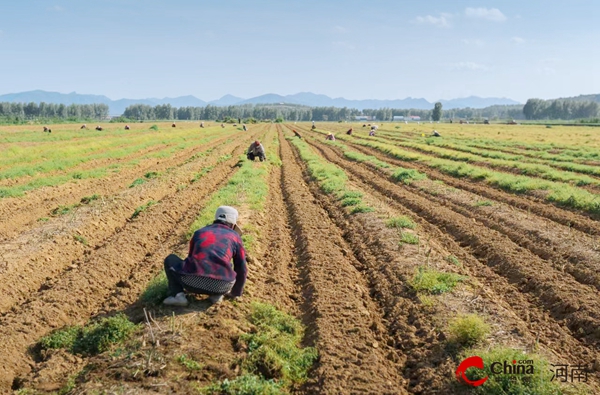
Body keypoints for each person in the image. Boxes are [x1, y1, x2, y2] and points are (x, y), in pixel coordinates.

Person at [162, 206, 247, 306]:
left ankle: (178, 296)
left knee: (170, 259)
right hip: (222, 285)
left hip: (191, 283)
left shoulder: (199, 232)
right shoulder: (235, 237)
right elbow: (241, 268)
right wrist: (236, 293)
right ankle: (217, 295)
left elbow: (190, 258)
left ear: (215, 219)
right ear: (233, 225)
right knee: (227, 265)